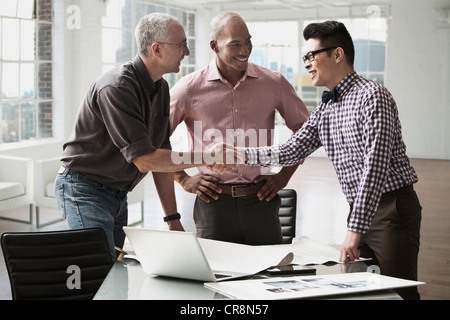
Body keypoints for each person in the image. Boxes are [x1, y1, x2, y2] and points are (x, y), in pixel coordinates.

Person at [243, 21, 422, 300]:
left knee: (399, 293)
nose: (307, 64)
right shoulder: (327, 107)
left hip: (391, 210)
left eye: (311, 56)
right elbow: (291, 150)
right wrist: (237, 154)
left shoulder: (373, 96)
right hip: (360, 211)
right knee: (365, 291)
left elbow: (374, 168)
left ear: (337, 54)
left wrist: (354, 230)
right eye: (305, 57)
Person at [54, 13, 225, 261]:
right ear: (157, 49)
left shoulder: (161, 87)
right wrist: (207, 157)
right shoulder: (117, 87)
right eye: (182, 45)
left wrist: (172, 219)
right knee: (96, 270)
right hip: (84, 188)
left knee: (112, 271)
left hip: (116, 192)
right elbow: (146, 160)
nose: (186, 52)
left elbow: (161, 154)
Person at [169, 12, 309, 245]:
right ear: (214, 45)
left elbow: (306, 132)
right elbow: (155, 140)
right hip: (213, 204)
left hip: (261, 202)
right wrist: (182, 178)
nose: (245, 50)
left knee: (269, 275)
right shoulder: (188, 88)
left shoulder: (273, 83)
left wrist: (284, 175)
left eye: (248, 41)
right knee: (217, 276)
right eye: (235, 44)